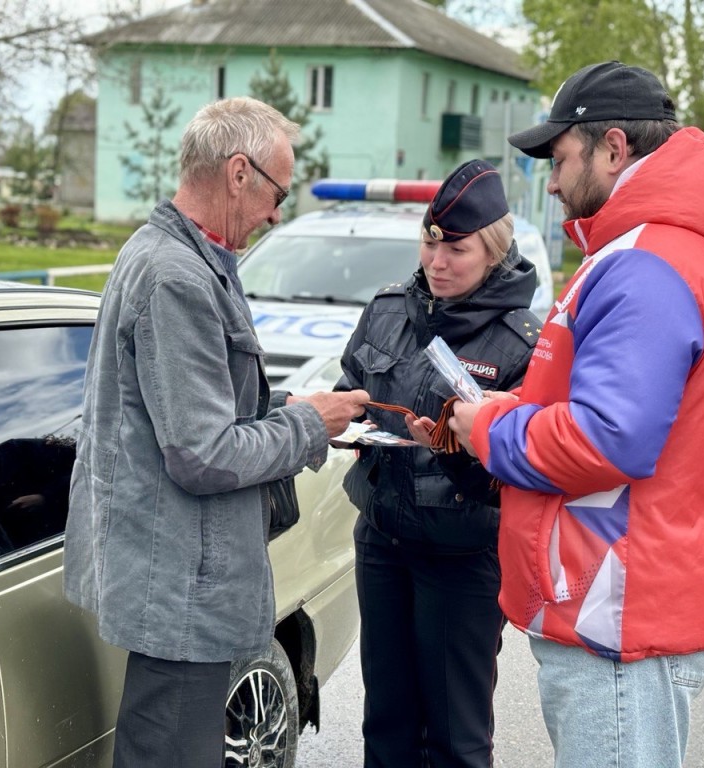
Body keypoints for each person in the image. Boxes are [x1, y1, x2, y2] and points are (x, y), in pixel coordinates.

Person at [446, 61, 704, 767]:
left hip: (621, 613)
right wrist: (519, 407)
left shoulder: (648, 264)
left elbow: (608, 437)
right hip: (629, 596)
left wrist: (490, 429)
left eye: (560, 159)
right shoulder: (664, 252)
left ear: (613, 147)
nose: (552, 182)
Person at [62, 96, 369, 768]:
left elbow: (201, 408)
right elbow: (202, 453)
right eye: (276, 193)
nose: (276, 213)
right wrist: (307, 425)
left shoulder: (179, 257)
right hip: (180, 590)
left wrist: (289, 404)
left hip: (181, 582)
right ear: (238, 173)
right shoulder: (175, 276)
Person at [336, 159, 543, 767]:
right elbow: (353, 384)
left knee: (455, 737)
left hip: (462, 557)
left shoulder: (521, 341)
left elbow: (520, 475)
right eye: (430, 243)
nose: (437, 261)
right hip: (382, 543)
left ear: (494, 250)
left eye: (456, 248)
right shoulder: (387, 309)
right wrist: (344, 417)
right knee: (387, 725)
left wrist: (458, 452)